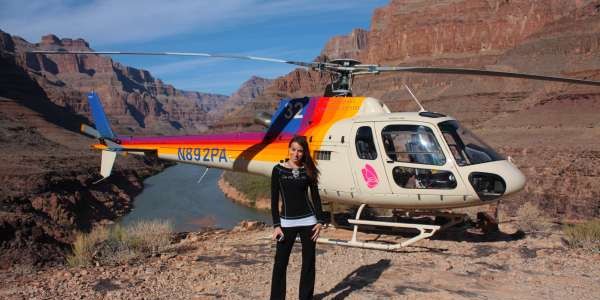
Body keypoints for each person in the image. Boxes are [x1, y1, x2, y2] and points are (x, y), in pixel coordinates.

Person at [270, 135, 325, 300]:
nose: (296, 154)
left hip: (309, 222)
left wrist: (320, 221)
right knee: (280, 264)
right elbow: (274, 199)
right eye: (293, 149)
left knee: (308, 263)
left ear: (304, 152)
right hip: (286, 223)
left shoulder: (308, 170)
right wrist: (276, 225)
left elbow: (315, 197)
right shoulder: (278, 170)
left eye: (300, 151)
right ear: (289, 149)